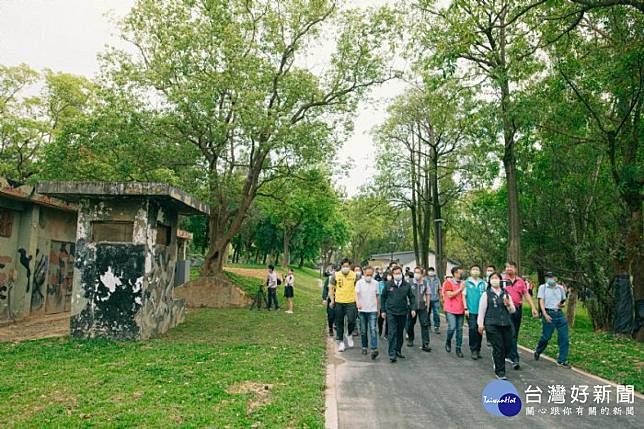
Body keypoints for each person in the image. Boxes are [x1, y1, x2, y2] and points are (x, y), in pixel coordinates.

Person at [477, 272, 516, 380]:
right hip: (492, 324)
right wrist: (480, 324)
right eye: (492, 278)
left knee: (507, 346)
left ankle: (497, 359)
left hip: (506, 323)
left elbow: (513, 310)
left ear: (500, 280)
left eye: (496, 278)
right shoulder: (486, 294)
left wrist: (508, 304)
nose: (495, 280)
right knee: (498, 347)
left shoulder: (506, 293)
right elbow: (482, 311)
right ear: (489, 281)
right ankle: (500, 371)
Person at [504, 261, 538, 369]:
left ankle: (509, 353)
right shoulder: (502, 280)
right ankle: (515, 359)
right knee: (512, 332)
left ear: (515, 269)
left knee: (515, 333)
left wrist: (533, 307)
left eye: (511, 267)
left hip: (518, 309)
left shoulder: (520, 281)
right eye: (507, 267)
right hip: (506, 309)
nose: (509, 269)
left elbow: (526, 294)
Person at [380, 265, 416, 363]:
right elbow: (383, 298)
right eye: (395, 273)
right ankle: (392, 354)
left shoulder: (406, 285)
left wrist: (413, 309)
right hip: (391, 312)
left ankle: (398, 350)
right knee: (392, 332)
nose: (397, 275)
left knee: (400, 332)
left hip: (403, 312)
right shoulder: (388, 285)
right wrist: (383, 310)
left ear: (402, 274)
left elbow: (412, 297)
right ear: (392, 274)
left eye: (399, 273)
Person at [534, 272, 570, 368]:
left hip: (559, 313)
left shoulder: (560, 288)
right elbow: (541, 300)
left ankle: (562, 360)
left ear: (556, 278)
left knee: (564, 338)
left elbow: (564, 301)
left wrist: (562, 305)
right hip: (548, 313)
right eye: (548, 277)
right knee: (546, 337)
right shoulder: (543, 287)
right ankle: (538, 350)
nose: (549, 279)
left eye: (551, 277)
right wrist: (544, 314)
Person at [329, 258, 358, 352]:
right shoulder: (335, 275)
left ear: (350, 266)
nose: (346, 267)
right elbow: (331, 288)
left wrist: (358, 301)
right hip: (339, 302)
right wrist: (332, 300)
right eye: (344, 266)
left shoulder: (355, 275)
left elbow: (358, 289)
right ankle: (341, 342)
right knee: (339, 322)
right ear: (341, 266)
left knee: (351, 320)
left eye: (347, 266)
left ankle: (349, 334)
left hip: (351, 302)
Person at [355, 266, 380, 360]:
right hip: (362, 310)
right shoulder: (359, 283)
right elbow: (356, 294)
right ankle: (364, 346)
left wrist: (378, 308)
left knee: (373, 329)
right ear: (364, 273)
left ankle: (374, 349)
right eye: (367, 274)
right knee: (363, 330)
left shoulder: (376, 283)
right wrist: (357, 303)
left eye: (371, 274)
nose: (369, 276)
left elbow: (377, 296)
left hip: (372, 310)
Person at [463, 264, 487, 359]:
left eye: (477, 269)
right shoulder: (466, 282)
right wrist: (465, 308)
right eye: (473, 269)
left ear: (480, 272)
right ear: (470, 271)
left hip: (481, 311)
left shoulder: (483, 283)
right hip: (471, 311)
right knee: (472, 329)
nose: (475, 271)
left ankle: (478, 349)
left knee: (480, 330)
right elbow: (463, 296)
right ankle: (473, 349)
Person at [406, 267, 431, 352]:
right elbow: (406, 294)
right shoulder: (409, 282)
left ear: (422, 274)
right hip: (411, 306)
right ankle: (410, 338)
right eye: (415, 272)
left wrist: (428, 304)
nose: (417, 274)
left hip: (422, 306)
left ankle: (425, 343)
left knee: (424, 324)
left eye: (418, 272)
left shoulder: (425, 282)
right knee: (409, 324)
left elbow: (428, 294)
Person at [443, 266, 465, 358]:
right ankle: (448, 341)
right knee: (452, 327)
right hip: (451, 309)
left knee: (459, 330)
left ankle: (458, 348)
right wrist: (460, 288)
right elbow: (450, 295)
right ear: (455, 273)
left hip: (461, 309)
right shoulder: (449, 282)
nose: (462, 274)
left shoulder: (464, 283)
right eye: (460, 272)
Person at [426, 267, 442, 334]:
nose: (431, 272)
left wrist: (441, 297)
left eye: (432, 271)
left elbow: (440, 289)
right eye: (429, 271)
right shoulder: (425, 279)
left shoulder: (437, 279)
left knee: (436, 314)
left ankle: (436, 327)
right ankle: (428, 325)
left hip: (436, 299)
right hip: (427, 299)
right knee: (427, 313)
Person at [321, 268, 335, 337]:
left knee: (339, 315)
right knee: (331, 315)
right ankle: (330, 328)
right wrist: (324, 298)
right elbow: (325, 289)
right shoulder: (329, 278)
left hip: (341, 300)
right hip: (331, 299)